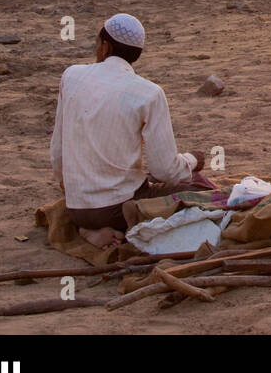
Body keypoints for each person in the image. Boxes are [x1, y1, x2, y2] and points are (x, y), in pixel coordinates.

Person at [50, 13, 205, 249]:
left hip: (77, 208)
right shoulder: (149, 93)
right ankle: (124, 226)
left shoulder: (71, 75)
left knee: (143, 180)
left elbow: (57, 149)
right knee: (200, 188)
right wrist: (193, 160)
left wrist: (68, 186)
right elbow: (165, 170)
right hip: (117, 210)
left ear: (105, 47)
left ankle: (88, 231)